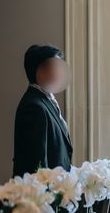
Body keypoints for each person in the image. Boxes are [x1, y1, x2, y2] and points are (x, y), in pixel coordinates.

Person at [12, 44, 73, 177]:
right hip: (44, 189)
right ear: (40, 71)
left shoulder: (45, 100)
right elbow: (36, 165)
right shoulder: (34, 107)